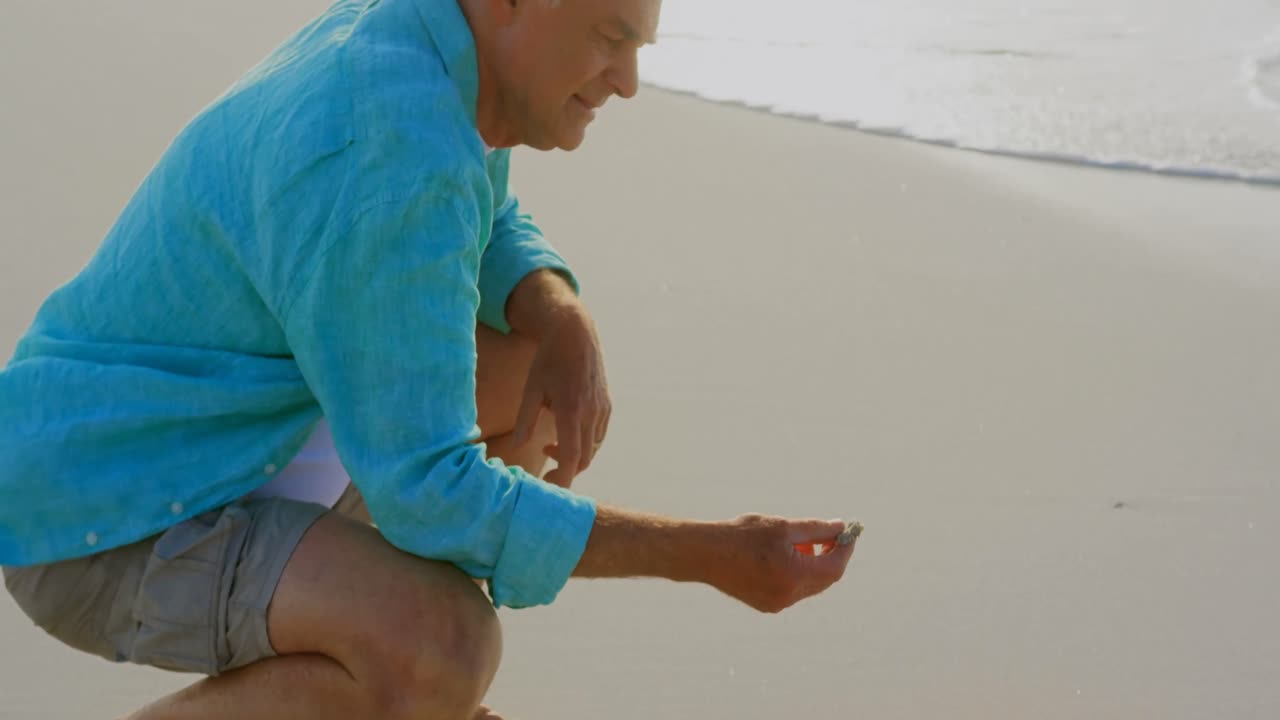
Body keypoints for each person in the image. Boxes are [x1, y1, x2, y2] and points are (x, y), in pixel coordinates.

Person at [0, 0, 858, 718]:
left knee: (534, 370)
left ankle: (377, 682)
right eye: (610, 36)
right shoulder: (390, 149)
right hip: (103, 512)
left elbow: (476, 218)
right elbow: (432, 493)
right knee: (443, 644)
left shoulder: (429, 43)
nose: (628, 80)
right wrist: (715, 555)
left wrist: (559, 310)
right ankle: (391, 676)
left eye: (638, 43)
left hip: (223, 422)